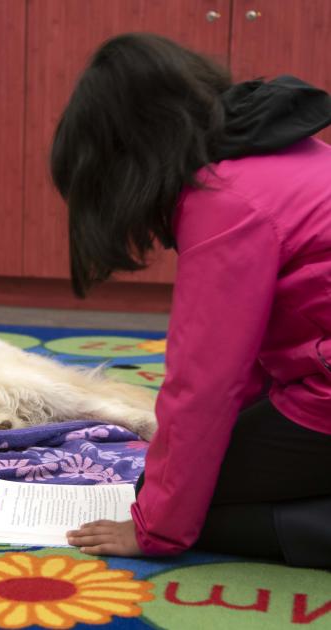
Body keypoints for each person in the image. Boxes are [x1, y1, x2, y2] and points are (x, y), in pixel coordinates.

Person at [54, 33, 331, 568]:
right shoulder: (273, 148)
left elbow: (203, 384)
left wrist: (156, 529)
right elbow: (248, 355)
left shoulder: (223, 199)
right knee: (185, 480)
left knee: (184, 504)